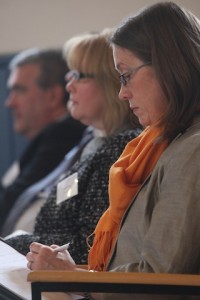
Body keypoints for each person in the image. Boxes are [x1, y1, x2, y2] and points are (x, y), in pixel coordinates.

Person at [26, 2, 200, 300]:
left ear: (168, 65)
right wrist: (71, 273)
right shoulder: (172, 143)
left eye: (125, 75)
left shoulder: (193, 149)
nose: (122, 93)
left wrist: (72, 278)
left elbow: (159, 280)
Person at [4, 29, 141, 264]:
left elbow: (91, 245)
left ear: (109, 82)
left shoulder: (118, 149)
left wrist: (13, 243)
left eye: (79, 75)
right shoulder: (91, 142)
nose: (69, 86)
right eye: (69, 75)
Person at [0, 48, 86, 232]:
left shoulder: (64, 135)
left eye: (19, 90)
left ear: (53, 96)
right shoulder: (48, 136)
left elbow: (12, 200)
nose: (10, 103)